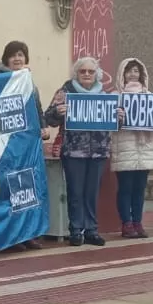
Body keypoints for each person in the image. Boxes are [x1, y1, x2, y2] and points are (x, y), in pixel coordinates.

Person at [45, 56, 121, 246]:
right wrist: (57, 112)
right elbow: (49, 118)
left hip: (98, 151)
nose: (87, 74)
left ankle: (92, 230)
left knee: (92, 192)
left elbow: (114, 124)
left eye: (90, 71)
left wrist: (119, 117)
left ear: (97, 75)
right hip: (73, 151)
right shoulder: (65, 92)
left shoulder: (104, 95)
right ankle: (76, 230)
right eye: (82, 71)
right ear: (76, 73)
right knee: (75, 192)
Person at [0, 40, 44, 250]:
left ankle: (27, 234)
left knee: (26, 190)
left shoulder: (29, 82)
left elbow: (37, 108)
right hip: (4, 147)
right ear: (6, 59)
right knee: (6, 190)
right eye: (13, 55)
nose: (17, 59)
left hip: (26, 146)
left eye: (21, 55)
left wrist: (43, 126)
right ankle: (10, 237)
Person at [112, 57, 153, 239]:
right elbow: (107, 124)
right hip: (124, 148)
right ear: (122, 74)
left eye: (136, 71)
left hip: (145, 148)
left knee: (140, 188)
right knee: (125, 187)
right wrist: (117, 118)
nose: (133, 74)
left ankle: (138, 222)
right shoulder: (115, 96)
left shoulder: (149, 96)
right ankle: (126, 223)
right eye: (129, 71)